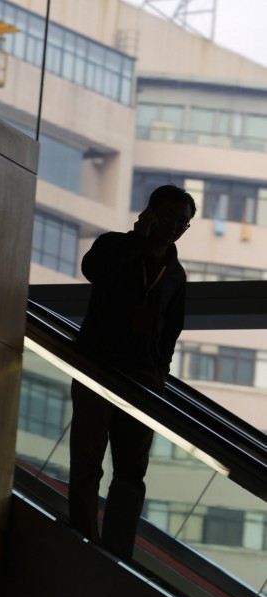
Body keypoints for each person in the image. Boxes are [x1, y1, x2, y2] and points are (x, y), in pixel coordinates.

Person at [68, 184, 196, 561]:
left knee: (131, 472)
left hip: (143, 380)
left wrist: (160, 374)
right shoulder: (116, 246)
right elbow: (93, 270)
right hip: (98, 366)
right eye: (170, 218)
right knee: (88, 459)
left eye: (183, 223)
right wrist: (136, 242)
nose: (175, 227)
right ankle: (83, 536)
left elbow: (171, 330)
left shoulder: (175, 274)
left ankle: (118, 553)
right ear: (150, 214)